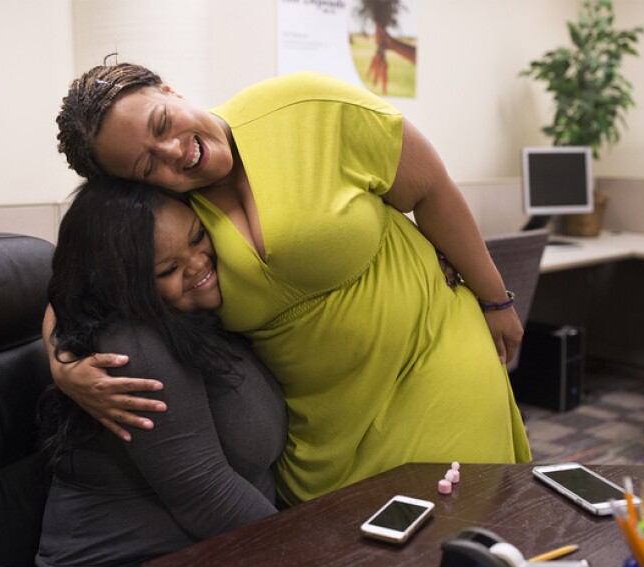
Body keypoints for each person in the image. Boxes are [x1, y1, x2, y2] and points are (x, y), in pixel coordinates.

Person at [48, 61, 532, 505]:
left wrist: (496, 301)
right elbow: (75, 284)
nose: (174, 151)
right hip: (323, 424)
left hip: (433, 353)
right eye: (147, 164)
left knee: (454, 534)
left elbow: (431, 189)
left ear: (169, 90)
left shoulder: (306, 106)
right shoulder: (162, 213)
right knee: (349, 560)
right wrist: (62, 365)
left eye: (161, 123)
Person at [35, 177, 287, 567]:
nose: (198, 263)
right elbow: (205, 494)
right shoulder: (132, 346)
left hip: (212, 551)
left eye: (198, 237)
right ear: (125, 286)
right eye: (168, 268)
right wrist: (314, 554)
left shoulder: (198, 313)